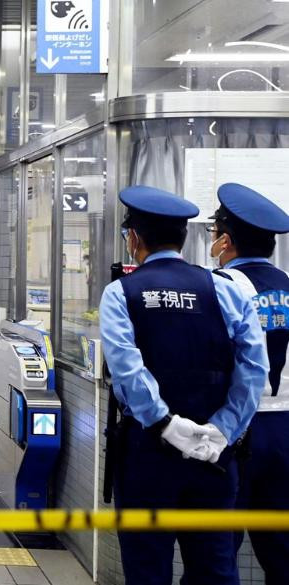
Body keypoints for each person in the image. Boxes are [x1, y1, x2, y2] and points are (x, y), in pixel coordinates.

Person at [99, 185, 268, 585]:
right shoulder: (227, 288)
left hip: (146, 453)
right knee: (213, 567)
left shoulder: (121, 292)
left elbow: (126, 367)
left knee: (147, 567)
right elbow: (253, 368)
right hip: (214, 454)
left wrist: (164, 425)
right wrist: (223, 429)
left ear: (134, 239)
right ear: (184, 238)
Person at [209, 183, 289, 585]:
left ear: (226, 240)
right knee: (282, 549)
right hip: (287, 430)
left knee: (221, 546)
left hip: (240, 429)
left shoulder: (221, 286)